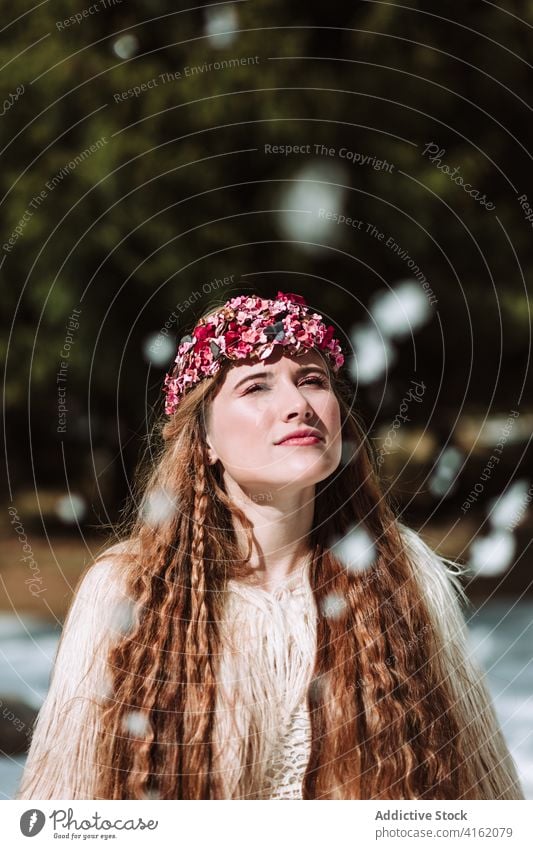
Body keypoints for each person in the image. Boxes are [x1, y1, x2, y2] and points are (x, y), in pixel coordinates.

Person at [16, 290, 524, 800]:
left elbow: (485, 798)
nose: (298, 405)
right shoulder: (126, 590)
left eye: (312, 380)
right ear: (205, 439)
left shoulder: (402, 573)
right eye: (256, 386)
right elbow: (62, 804)